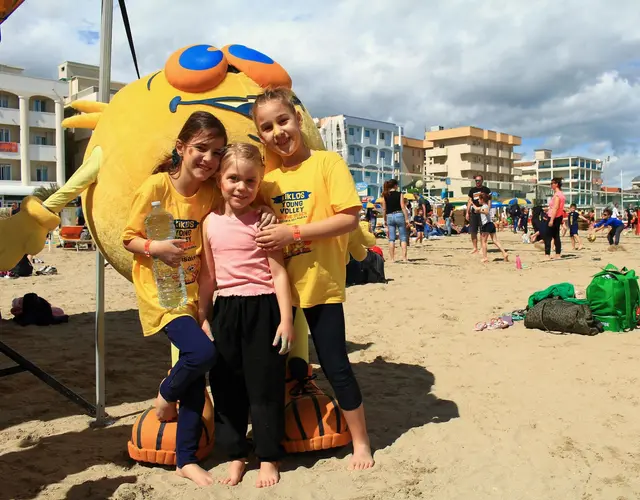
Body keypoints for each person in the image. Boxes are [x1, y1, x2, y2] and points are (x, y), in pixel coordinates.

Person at [122, 112, 276, 486]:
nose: (208, 159)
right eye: (200, 149)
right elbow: (128, 238)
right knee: (202, 356)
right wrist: (155, 246)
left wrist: (268, 211)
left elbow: (243, 200)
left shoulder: (210, 190)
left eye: (215, 152)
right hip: (164, 296)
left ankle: (185, 458)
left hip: (195, 296)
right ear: (181, 148)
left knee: (196, 380)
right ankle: (165, 393)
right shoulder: (157, 188)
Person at [251, 87, 374, 470]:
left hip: (321, 283)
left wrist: (294, 233)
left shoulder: (327, 164)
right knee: (269, 371)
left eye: (283, 120)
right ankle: (268, 447)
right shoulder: (266, 180)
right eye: (267, 127)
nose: (278, 132)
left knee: (336, 365)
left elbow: (348, 218)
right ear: (261, 135)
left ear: (298, 119)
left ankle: (361, 442)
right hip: (275, 290)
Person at [198, 144, 294, 488]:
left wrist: (286, 319)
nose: (241, 187)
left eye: (250, 181)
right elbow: (208, 276)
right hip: (225, 309)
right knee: (226, 386)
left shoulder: (265, 220)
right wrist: (203, 316)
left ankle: (268, 456)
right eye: (233, 178)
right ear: (220, 180)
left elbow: (279, 273)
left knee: (265, 385)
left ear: (260, 181)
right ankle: (236, 454)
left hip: (263, 307)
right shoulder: (208, 223)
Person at [381, 179, 410, 262]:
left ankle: (392, 259)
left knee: (391, 239)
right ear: (395, 186)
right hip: (399, 215)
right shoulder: (400, 194)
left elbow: (384, 209)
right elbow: (403, 206)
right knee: (403, 237)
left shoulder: (385, 195)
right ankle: (404, 258)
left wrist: (385, 219)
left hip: (389, 216)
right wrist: (407, 218)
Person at [475, 193, 508, 263]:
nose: (478, 200)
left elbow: (486, 212)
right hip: (491, 224)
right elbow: (478, 208)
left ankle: (485, 257)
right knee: (495, 241)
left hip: (486, 225)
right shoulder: (485, 206)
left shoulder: (485, 206)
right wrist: (472, 204)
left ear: (482, 199)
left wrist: (479, 211)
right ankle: (504, 253)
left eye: (479, 199)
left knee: (483, 242)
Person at [466, 175, 491, 254]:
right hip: (474, 213)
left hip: (482, 212)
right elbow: (469, 201)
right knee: (473, 231)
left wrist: (488, 209)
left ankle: (481, 248)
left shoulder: (486, 189)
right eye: (476, 180)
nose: (477, 182)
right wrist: (467, 212)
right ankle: (475, 248)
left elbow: (490, 201)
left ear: (482, 181)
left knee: (482, 231)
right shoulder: (472, 190)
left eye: (479, 180)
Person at [543, 177, 565, 260]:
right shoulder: (562, 195)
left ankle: (547, 255)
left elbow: (555, 208)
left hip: (554, 217)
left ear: (556, 184)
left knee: (547, 236)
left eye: (552, 183)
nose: (551, 185)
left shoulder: (557, 195)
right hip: (558, 216)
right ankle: (558, 254)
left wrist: (551, 219)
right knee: (556, 236)